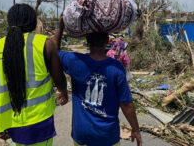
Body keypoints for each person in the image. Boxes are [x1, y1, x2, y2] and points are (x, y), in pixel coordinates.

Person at [0, 4, 68, 146]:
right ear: (33, 22)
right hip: (39, 120)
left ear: (9, 22)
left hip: (9, 122)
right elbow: (59, 79)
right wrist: (63, 92)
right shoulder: (43, 44)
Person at [53, 16, 142, 146]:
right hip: (107, 136)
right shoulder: (116, 68)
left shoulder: (75, 61)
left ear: (87, 41)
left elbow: (53, 52)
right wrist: (135, 129)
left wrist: (60, 27)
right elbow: (126, 104)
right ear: (107, 41)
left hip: (82, 134)